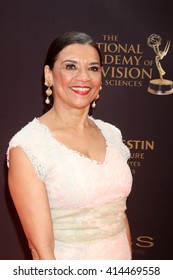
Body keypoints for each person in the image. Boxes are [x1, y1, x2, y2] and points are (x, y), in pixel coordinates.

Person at [7, 31, 133, 260]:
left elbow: (119, 215)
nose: (83, 77)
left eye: (93, 68)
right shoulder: (28, 146)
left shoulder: (112, 134)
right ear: (48, 74)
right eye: (71, 66)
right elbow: (41, 250)